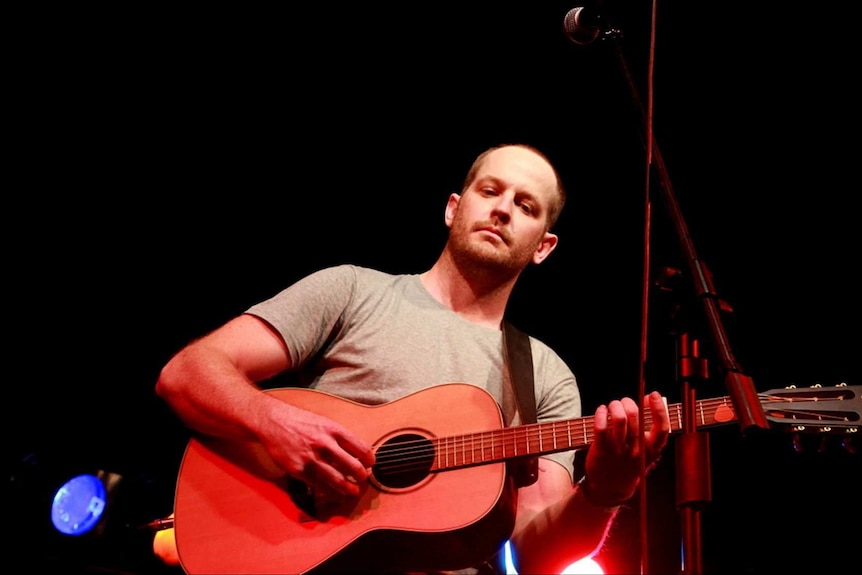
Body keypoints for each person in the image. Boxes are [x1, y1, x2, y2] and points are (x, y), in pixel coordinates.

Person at [154, 143, 671, 574]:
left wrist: (607, 489)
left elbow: (538, 552)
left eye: (526, 206)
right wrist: (274, 422)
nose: (502, 209)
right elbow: (187, 374)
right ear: (453, 207)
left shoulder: (546, 374)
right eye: (489, 191)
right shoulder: (352, 291)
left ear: (544, 247)